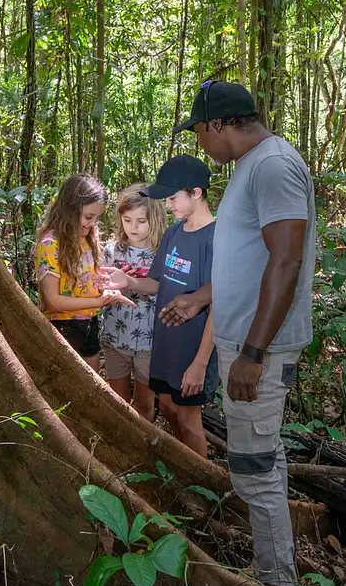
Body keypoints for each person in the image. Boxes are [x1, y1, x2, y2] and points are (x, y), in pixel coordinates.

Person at [169, 80, 316, 586]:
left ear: (217, 126)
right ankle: (273, 577)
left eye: (199, 133)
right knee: (258, 458)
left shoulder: (273, 166)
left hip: (261, 348)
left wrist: (253, 353)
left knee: (253, 467)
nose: (200, 144)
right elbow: (249, 259)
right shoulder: (251, 169)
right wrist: (202, 298)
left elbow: (287, 259)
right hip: (243, 339)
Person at [98, 155, 217, 457]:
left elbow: (222, 302)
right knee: (167, 408)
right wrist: (128, 282)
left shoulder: (216, 238)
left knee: (189, 419)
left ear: (196, 193)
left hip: (192, 349)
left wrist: (201, 363)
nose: (168, 205)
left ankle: (202, 484)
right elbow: (158, 283)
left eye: (173, 198)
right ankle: (184, 470)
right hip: (164, 345)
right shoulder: (175, 234)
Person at [35, 173, 134, 373]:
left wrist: (104, 288)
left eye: (96, 218)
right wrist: (99, 302)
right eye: (88, 217)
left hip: (90, 323)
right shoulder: (50, 244)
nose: (91, 224)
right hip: (62, 327)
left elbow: (86, 285)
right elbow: (54, 300)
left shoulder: (87, 240)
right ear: (69, 209)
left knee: (91, 388)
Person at [98, 185, 166, 421]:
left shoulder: (162, 253)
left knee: (145, 402)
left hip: (150, 340)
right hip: (115, 336)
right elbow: (99, 287)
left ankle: (144, 443)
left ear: (154, 219)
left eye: (141, 221)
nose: (133, 227)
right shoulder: (111, 251)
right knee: (118, 400)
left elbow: (165, 289)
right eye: (127, 220)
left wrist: (133, 283)